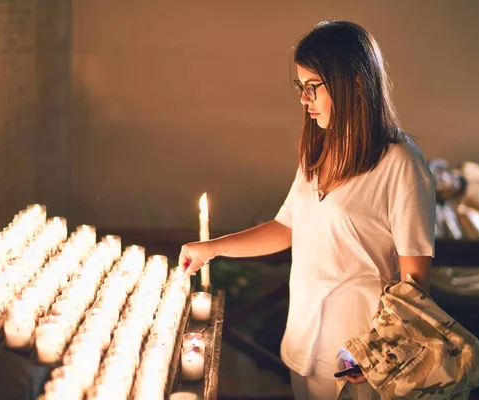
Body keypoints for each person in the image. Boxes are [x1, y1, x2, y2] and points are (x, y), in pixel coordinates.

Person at [179, 20, 435, 400]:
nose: (303, 99)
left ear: (356, 83)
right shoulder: (321, 150)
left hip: (358, 353)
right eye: (300, 87)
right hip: (305, 343)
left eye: (313, 87)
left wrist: (371, 356)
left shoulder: (399, 163)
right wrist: (213, 247)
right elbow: (287, 228)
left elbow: (414, 282)